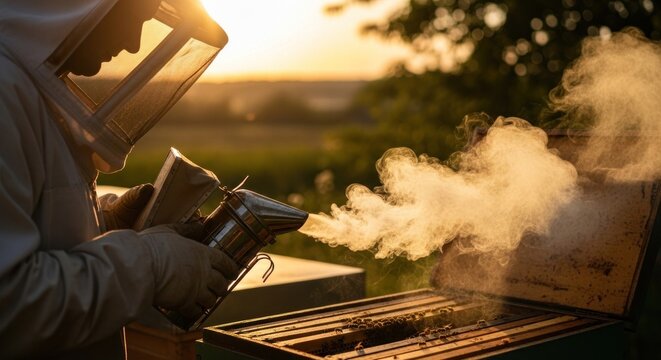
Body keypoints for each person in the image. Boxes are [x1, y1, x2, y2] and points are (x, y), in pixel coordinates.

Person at [0, 0, 238, 358]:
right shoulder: (4, 92)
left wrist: (103, 221)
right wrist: (149, 264)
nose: (134, 44)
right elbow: (11, 307)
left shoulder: (25, 87)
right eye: (132, 19)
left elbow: (26, 218)